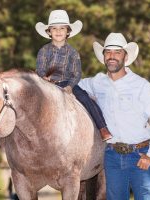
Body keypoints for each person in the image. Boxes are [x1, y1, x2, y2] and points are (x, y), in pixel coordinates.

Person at [79, 32, 150, 199]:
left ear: (125, 57)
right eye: (108, 52)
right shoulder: (96, 82)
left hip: (140, 154)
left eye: (117, 52)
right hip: (112, 156)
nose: (112, 56)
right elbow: (72, 85)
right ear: (104, 56)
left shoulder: (141, 85)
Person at [35, 9, 112, 141]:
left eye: (62, 28)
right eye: (54, 28)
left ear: (68, 31)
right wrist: (44, 78)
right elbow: (40, 69)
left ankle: (102, 128)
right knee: (33, 102)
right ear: (49, 32)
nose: (58, 31)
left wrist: (70, 86)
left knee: (86, 98)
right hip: (48, 84)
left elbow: (77, 73)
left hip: (67, 83)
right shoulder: (43, 51)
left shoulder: (73, 52)